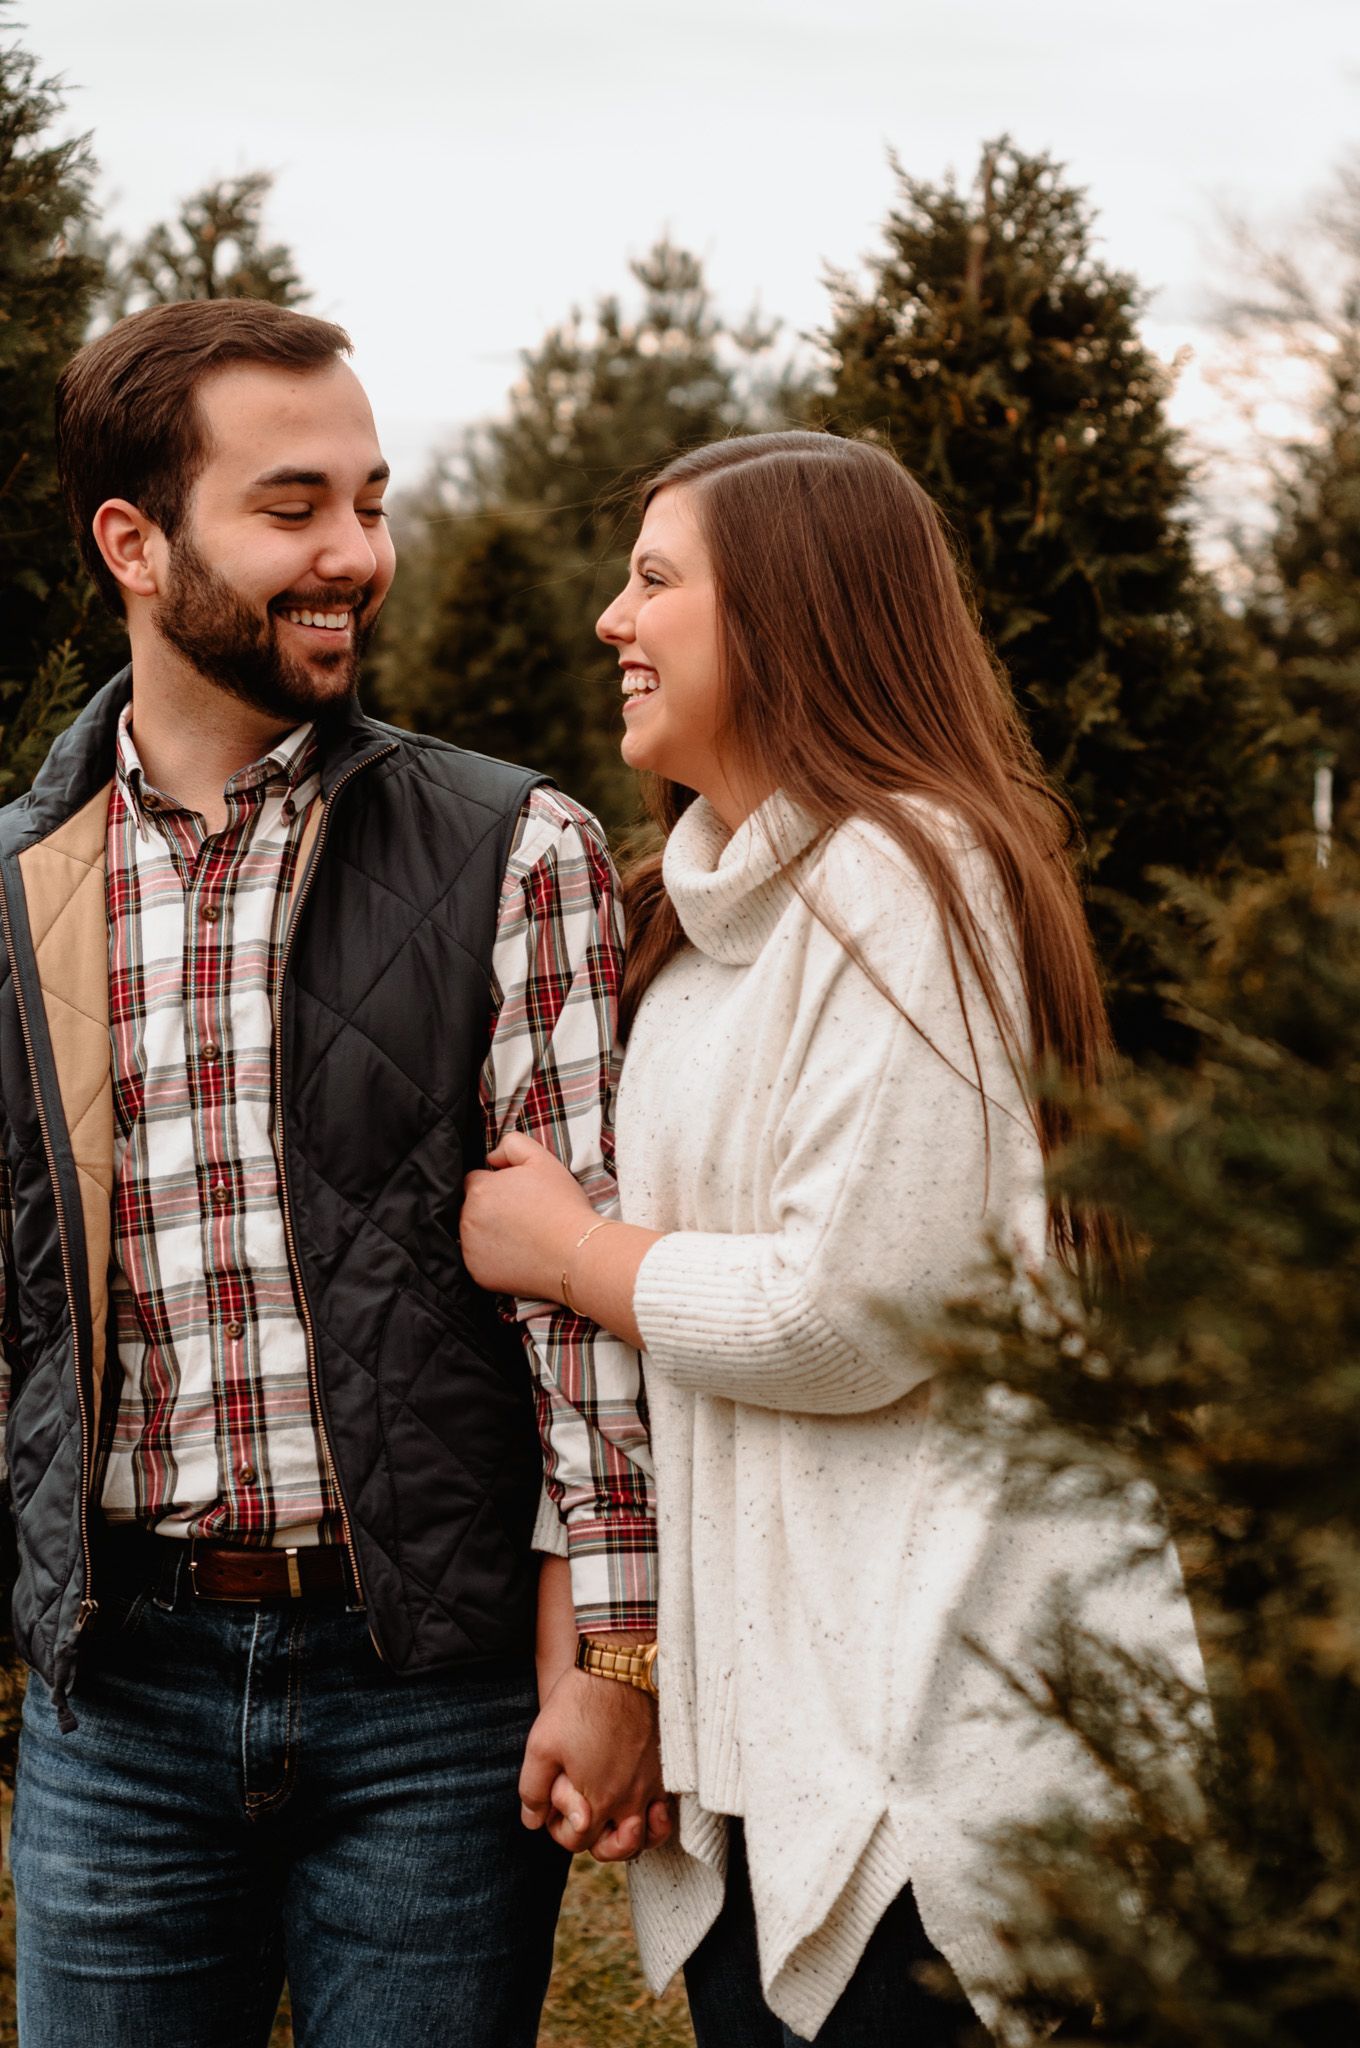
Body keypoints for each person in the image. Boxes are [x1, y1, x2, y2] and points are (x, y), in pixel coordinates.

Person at [461, 430, 1208, 2045]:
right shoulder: (695, 908)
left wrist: (575, 1250)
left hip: (936, 1754)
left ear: (791, 617)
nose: (611, 618)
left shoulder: (909, 872)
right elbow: (662, 1377)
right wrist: (629, 1667)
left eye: (656, 579)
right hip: (779, 1748)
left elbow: (855, 1315)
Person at [0, 297, 666, 2047]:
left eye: (370, 503)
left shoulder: (515, 846)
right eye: (293, 509)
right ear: (134, 544)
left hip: (425, 1706)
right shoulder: (16, 889)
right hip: (114, 1704)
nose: (355, 556)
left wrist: (615, 1655)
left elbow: (580, 1320)